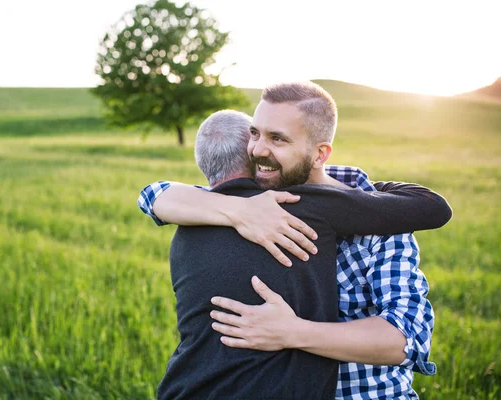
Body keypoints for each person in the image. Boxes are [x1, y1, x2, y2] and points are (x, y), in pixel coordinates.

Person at [139, 82, 451, 399]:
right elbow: (153, 195)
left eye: (278, 139)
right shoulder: (257, 198)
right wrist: (239, 210)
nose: (258, 150)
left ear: (319, 154)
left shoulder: (385, 219)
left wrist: (292, 332)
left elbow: (404, 341)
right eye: (255, 133)